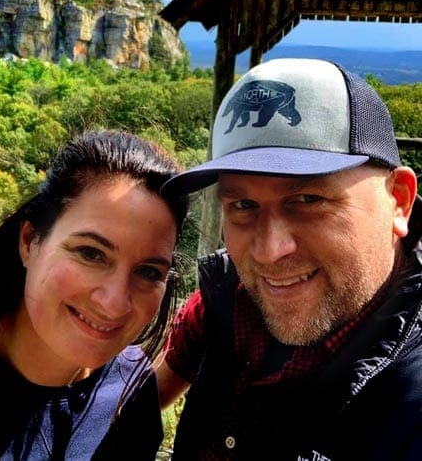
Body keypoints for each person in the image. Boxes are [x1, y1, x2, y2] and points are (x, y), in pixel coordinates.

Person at [156, 58, 422, 460]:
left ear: (398, 201)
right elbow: (124, 404)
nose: (268, 250)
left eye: (307, 199)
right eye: (243, 204)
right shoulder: (227, 298)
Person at [0, 130, 190, 460]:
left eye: (149, 272)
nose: (114, 303)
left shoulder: (132, 393)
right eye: (91, 253)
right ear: (29, 242)